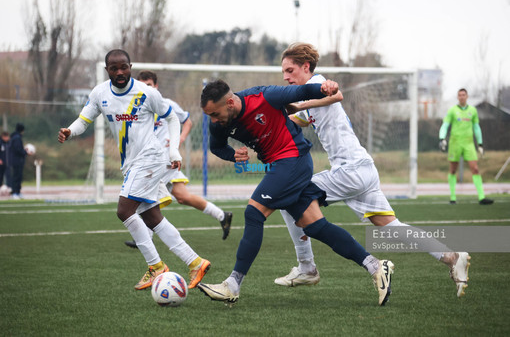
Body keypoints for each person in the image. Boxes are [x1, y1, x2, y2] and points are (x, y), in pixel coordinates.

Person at [274, 42, 470, 298]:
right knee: (391, 225)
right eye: (284, 73)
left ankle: (307, 268)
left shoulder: (319, 83)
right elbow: (296, 118)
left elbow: (334, 93)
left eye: (290, 70)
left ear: (306, 67)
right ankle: (452, 257)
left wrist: (299, 105)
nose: (286, 77)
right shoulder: (308, 98)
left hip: (350, 170)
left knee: (288, 196)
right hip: (363, 169)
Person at [197, 79, 395, 307]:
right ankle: (376, 266)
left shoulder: (263, 97)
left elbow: (299, 91)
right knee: (313, 225)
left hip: (293, 160)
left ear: (230, 103)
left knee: (253, 213)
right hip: (279, 167)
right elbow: (216, 146)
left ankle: (232, 285)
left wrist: (323, 88)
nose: (213, 120)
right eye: (209, 116)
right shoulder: (218, 124)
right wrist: (233, 155)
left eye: (215, 113)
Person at [58, 49, 210, 290]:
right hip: (130, 163)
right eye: (114, 68)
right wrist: (69, 130)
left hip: (150, 158)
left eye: (124, 67)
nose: (119, 72)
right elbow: (84, 120)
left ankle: (156, 267)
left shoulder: (147, 93)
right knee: (151, 217)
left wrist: (174, 151)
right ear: (107, 70)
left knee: (124, 210)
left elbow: (172, 118)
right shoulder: (100, 93)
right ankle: (195, 262)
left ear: (130, 66)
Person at [123, 70, 232, 249]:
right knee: (182, 197)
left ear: (156, 86)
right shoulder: (136, 108)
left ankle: (146, 237)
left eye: (148, 85)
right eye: (142, 86)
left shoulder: (166, 104)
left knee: (144, 195)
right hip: (150, 160)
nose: (145, 89)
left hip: (165, 160)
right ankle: (222, 215)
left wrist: (180, 139)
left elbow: (187, 121)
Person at [439, 88, 494, 205]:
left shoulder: (473, 110)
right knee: (453, 169)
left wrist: (480, 143)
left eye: (463, 95)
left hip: (469, 143)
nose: (462, 97)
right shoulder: (452, 110)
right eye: (459, 95)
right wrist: (442, 138)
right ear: (457, 97)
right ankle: (453, 197)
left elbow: (476, 127)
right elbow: (445, 125)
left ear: (467, 96)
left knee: (475, 168)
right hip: (455, 143)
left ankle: (481, 197)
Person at [10, 123, 32, 199]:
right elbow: (17, 150)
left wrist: (24, 150)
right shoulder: (17, 138)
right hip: (17, 160)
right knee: (16, 177)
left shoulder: (15, 137)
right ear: (22, 130)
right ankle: (14, 193)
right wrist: (26, 152)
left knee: (19, 177)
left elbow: (18, 148)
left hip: (17, 160)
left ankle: (18, 192)